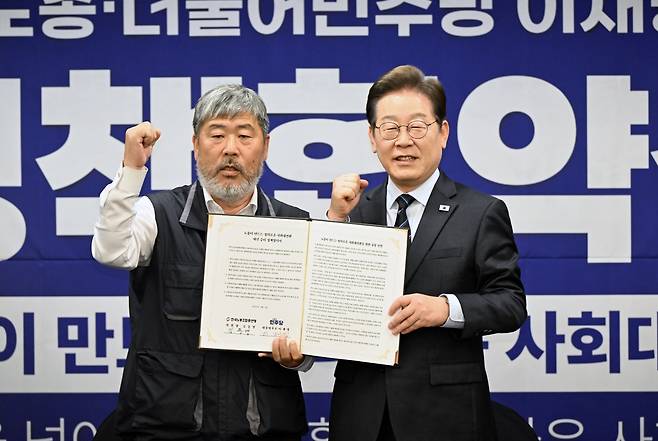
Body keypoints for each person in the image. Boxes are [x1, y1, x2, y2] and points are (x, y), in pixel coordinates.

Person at [92, 84, 311, 441]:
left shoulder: (296, 226)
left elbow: (311, 332)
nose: (230, 149)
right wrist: (132, 169)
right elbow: (111, 250)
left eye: (244, 136)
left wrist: (299, 356)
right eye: (217, 135)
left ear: (266, 146)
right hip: (166, 429)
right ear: (195, 145)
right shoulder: (158, 214)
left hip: (262, 427)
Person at [327, 65, 527, 441]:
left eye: (417, 127)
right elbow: (325, 300)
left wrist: (445, 309)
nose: (403, 141)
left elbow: (511, 303)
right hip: (360, 414)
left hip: (445, 415)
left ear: (443, 132)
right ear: (372, 137)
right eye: (390, 128)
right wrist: (335, 220)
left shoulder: (481, 212)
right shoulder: (352, 210)